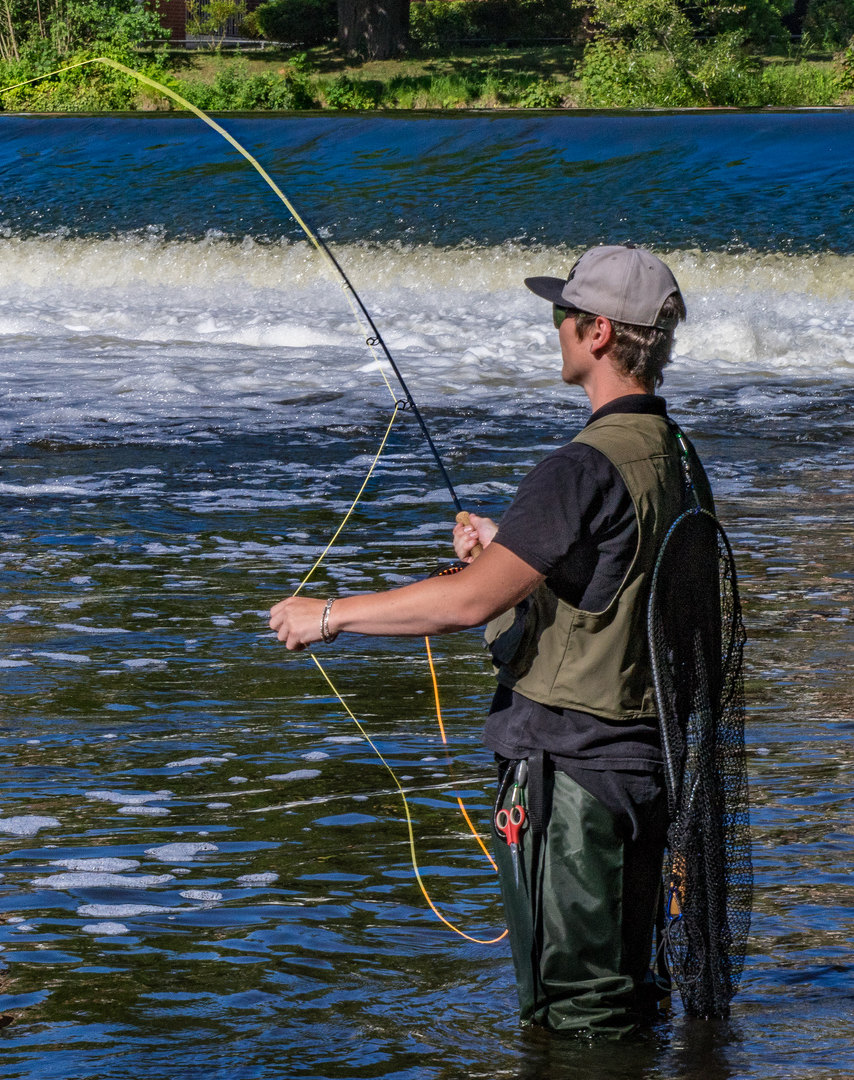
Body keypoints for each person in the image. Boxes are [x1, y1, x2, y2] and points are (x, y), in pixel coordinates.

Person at [269, 245, 709, 1036]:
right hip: (649, 769)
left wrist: (327, 616)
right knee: (628, 998)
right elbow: (622, 569)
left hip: (572, 781)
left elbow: (469, 605)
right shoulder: (676, 456)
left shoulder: (579, 468)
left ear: (599, 333)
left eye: (561, 316)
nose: (558, 329)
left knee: (576, 1017)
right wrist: (515, 541)